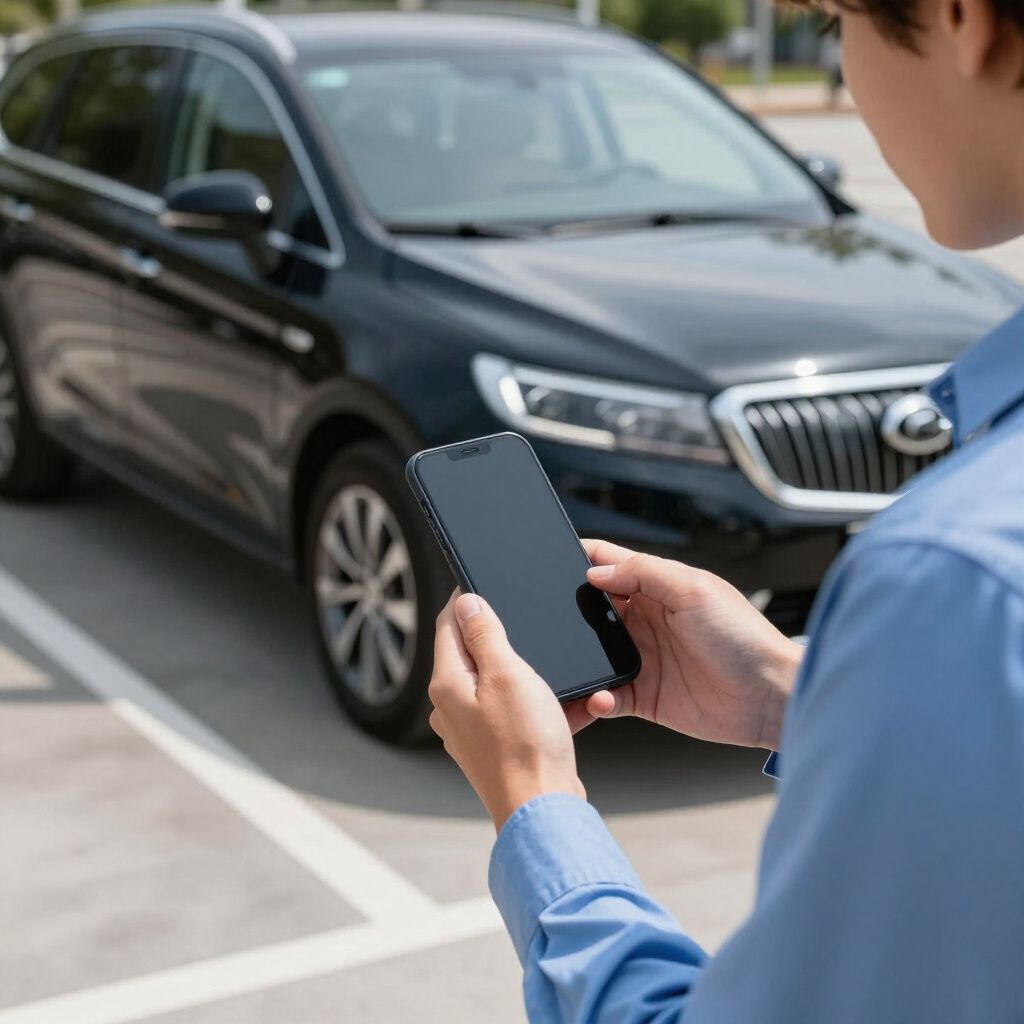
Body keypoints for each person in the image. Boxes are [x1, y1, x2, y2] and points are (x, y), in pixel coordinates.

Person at [427, 0, 1024, 1019]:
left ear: (958, 17)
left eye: (839, 20)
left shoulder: (957, 575)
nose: (843, 68)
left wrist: (532, 797)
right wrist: (794, 692)